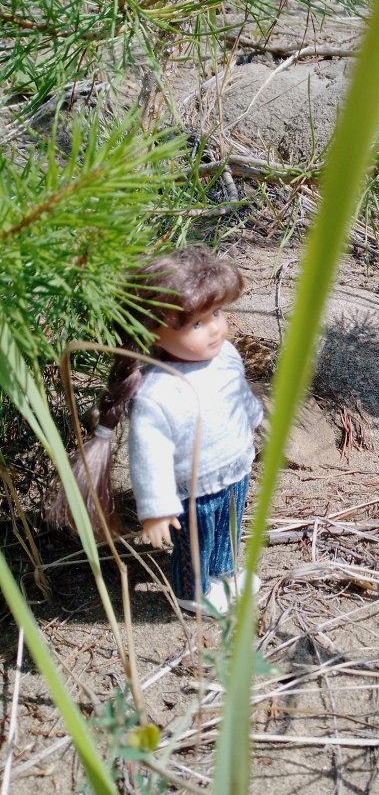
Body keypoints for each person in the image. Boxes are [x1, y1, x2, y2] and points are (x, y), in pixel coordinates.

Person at [49, 246, 263, 617]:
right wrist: (156, 510)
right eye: (197, 323)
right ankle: (192, 590)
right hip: (193, 485)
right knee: (196, 540)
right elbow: (150, 457)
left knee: (229, 527)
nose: (214, 329)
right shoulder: (157, 392)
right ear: (155, 334)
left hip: (234, 468)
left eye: (216, 313)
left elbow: (237, 395)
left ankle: (225, 573)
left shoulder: (226, 354)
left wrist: (253, 417)